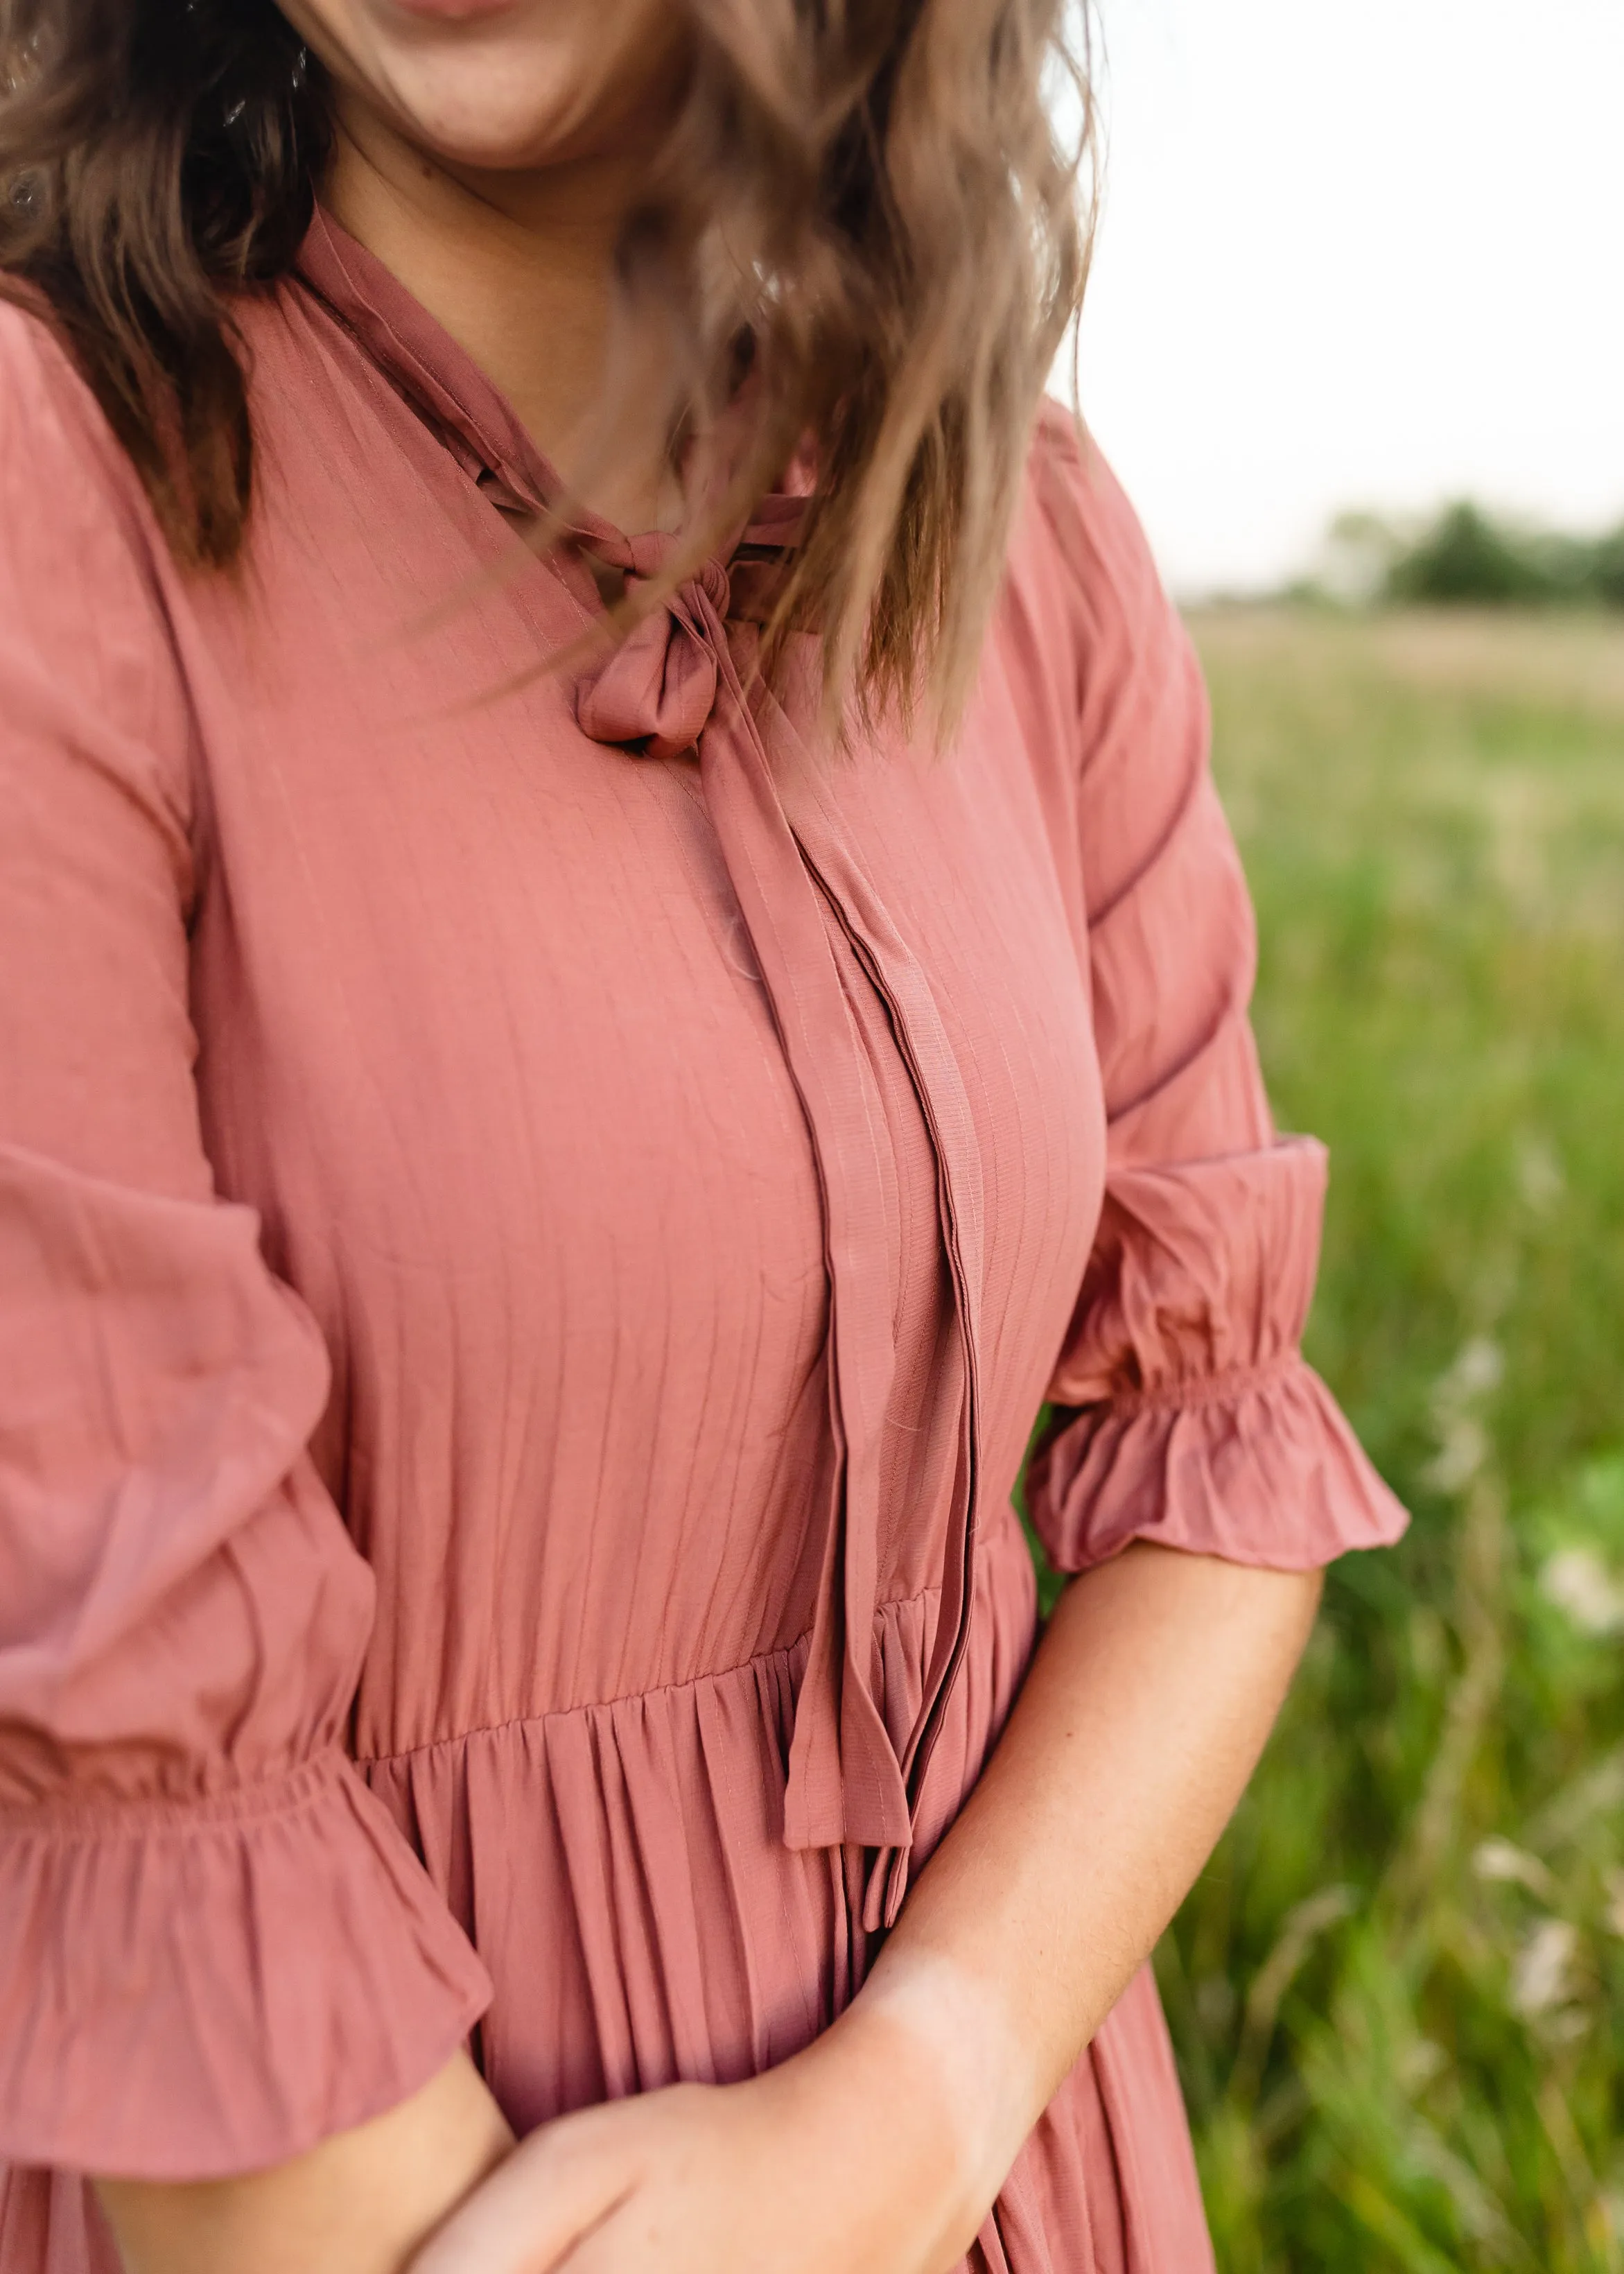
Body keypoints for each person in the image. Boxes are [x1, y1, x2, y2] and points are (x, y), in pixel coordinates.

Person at [0, 1, 1409, 2268]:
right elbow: (97, 1712)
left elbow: (1213, 1445)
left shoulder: (1023, 539)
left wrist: (920, 2099)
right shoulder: (60, 481)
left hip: (1004, 2166)